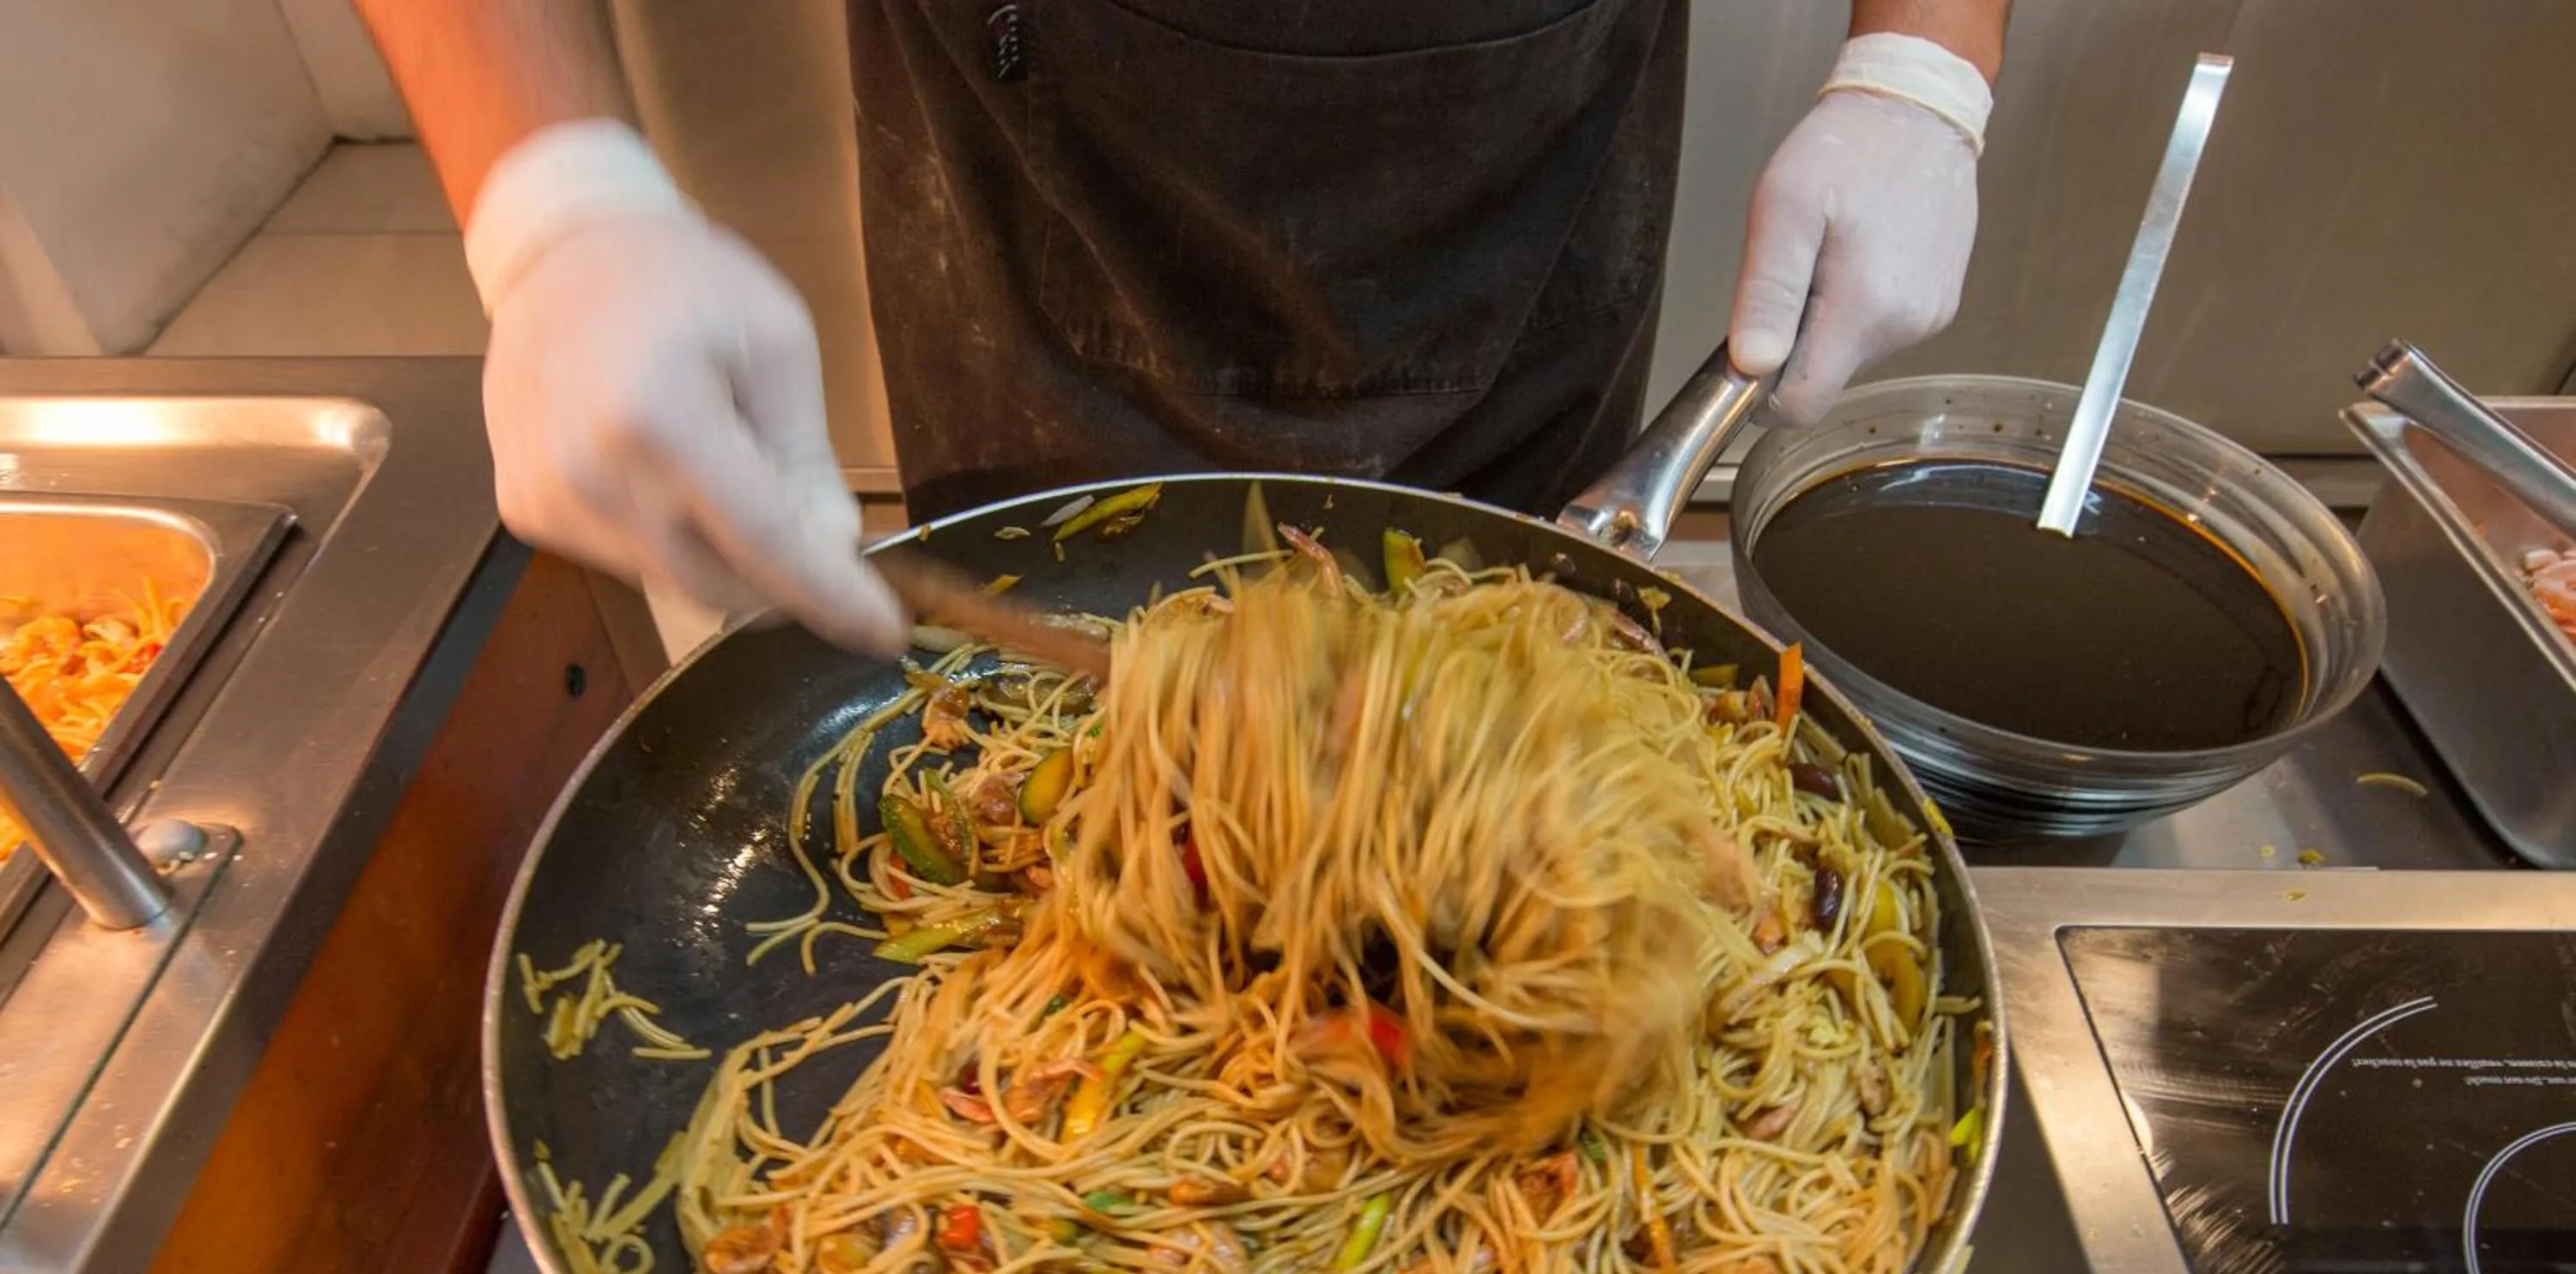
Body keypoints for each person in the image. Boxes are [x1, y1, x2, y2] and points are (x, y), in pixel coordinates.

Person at [358, 1, 2004, 655]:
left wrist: (1929, 61)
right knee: (1041, 708)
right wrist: (553, 202)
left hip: (1525, 156)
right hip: (1033, 188)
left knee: (1515, 673)